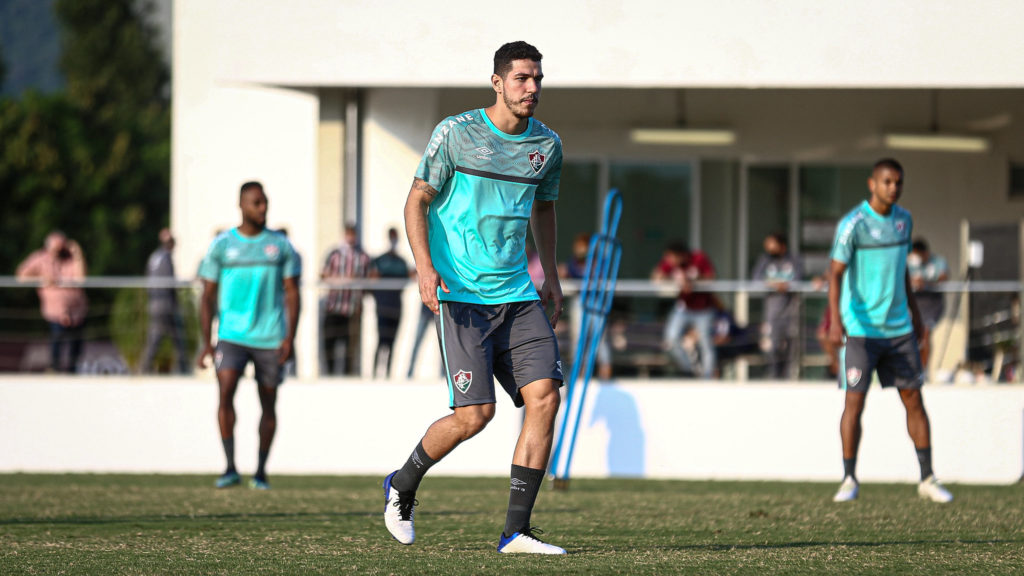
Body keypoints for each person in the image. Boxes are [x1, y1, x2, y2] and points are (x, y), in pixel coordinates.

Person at [383, 41, 567, 555]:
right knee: (474, 416)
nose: (532, 88)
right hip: (462, 294)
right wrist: (425, 267)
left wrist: (548, 273)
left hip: (518, 293)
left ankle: (516, 531)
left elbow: (544, 207)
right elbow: (417, 198)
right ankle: (402, 485)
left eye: (538, 79)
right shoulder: (455, 134)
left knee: (546, 397)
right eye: (522, 79)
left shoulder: (548, 146)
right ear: (498, 82)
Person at [827, 158, 952, 504]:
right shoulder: (853, 225)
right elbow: (834, 274)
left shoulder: (904, 221)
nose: (893, 187)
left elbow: (900, 273)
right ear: (872, 184)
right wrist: (836, 320)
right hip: (861, 330)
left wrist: (915, 313)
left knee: (914, 400)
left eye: (898, 182)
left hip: (899, 330)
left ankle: (927, 478)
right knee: (855, 402)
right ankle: (849, 478)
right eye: (887, 182)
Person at [196, 181, 301, 491]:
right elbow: (206, 296)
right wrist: (207, 341)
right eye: (256, 203)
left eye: (265, 202)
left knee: (268, 403)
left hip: (270, 338)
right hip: (231, 336)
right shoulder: (222, 246)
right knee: (225, 391)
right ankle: (229, 467)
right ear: (242, 205)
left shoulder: (280, 246)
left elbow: (293, 294)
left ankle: (260, 471)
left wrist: (289, 338)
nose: (262, 208)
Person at [16, 231, 88, 373]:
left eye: (62, 247)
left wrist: (78, 254)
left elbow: (81, 279)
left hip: (77, 311)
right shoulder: (39, 258)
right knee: (57, 342)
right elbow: (20, 276)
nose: (60, 251)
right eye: (57, 248)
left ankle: (72, 371)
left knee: (76, 344)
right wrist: (41, 280)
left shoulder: (71, 259)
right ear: (48, 247)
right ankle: (54, 369)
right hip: (55, 311)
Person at [652, 241, 717, 378]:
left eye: (671, 257)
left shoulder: (698, 258)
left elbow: (711, 277)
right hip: (683, 307)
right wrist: (671, 279)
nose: (669, 261)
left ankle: (707, 376)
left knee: (705, 342)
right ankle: (689, 371)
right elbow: (656, 276)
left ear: (680, 255)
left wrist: (694, 281)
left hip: (703, 308)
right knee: (671, 338)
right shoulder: (670, 264)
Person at [560, 233, 612, 380]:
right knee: (578, 338)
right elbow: (568, 274)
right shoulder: (573, 262)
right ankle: (580, 374)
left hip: (597, 301)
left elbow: (600, 278)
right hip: (580, 301)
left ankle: (605, 373)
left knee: (599, 337)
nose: (580, 250)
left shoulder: (600, 262)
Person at [320, 223, 371, 375]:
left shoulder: (362, 256)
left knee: (350, 348)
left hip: (352, 309)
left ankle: (348, 375)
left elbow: (372, 276)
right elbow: (323, 275)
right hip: (334, 307)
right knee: (329, 345)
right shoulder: (334, 254)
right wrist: (344, 280)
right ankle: (328, 375)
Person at [751, 232, 803, 379]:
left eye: (771, 245)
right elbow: (755, 279)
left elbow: (799, 278)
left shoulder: (793, 260)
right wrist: (772, 284)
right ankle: (774, 376)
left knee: (791, 344)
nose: (768, 248)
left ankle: (789, 376)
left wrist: (786, 285)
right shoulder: (765, 260)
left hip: (792, 309)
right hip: (772, 310)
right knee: (772, 345)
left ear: (781, 246)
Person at [140, 228, 189, 374]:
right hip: (165, 304)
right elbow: (170, 283)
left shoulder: (154, 257)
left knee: (156, 336)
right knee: (176, 336)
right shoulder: (166, 257)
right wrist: (176, 303)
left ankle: (146, 366)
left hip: (154, 303)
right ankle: (183, 368)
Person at [370, 227, 409, 378]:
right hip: (382, 307)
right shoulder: (379, 260)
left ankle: (387, 374)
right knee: (381, 341)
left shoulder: (401, 262)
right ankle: (374, 374)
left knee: (392, 342)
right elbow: (371, 280)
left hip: (396, 307)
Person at [907, 238, 949, 373]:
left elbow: (943, 277)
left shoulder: (938, 262)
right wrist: (912, 282)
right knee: (911, 335)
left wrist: (925, 282)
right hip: (914, 303)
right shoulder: (908, 261)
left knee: (925, 333)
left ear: (924, 253)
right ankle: (912, 368)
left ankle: (923, 371)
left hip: (932, 304)